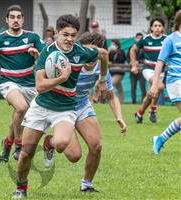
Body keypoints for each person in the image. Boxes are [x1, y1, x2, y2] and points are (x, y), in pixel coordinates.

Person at [12, 14, 109, 198]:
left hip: (64, 109)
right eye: (65, 34)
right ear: (56, 33)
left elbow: (103, 54)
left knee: (65, 146)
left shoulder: (81, 52)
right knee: (26, 153)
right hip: (41, 107)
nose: (69, 39)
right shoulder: (47, 52)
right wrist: (61, 78)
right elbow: (39, 86)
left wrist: (103, 80)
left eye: (73, 35)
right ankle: (20, 188)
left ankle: (49, 143)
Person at [43, 32, 126, 193]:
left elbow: (111, 96)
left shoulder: (101, 68)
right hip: (63, 108)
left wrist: (119, 117)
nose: (90, 58)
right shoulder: (68, 62)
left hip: (82, 106)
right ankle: (50, 142)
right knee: (74, 156)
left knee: (96, 146)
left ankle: (86, 184)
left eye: (94, 54)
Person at [0, 5, 45, 162]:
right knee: (21, 108)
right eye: (12, 17)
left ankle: (6, 146)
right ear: (7, 20)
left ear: (23, 20)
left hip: (30, 84)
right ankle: (19, 145)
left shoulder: (33, 38)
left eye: (18, 17)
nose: (15, 20)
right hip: (9, 83)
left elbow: (45, 57)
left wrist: (37, 55)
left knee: (22, 115)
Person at [150, 10, 181, 154]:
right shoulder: (171, 39)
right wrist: (155, 83)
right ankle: (161, 138)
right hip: (176, 81)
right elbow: (160, 62)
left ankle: (161, 138)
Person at [130, 17, 166, 123]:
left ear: (163, 28)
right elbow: (133, 50)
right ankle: (153, 109)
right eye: (155, 26)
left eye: (159, 26)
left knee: (151, 93)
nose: (157, 28)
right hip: (148, 70)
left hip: (161, 71)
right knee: (159, 86)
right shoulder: (145, 39)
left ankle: (140, 113)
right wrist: (134, 65)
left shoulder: (167, 39)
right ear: (151, 28)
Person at [127, 32, 146, 104]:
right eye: (137, 38)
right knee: (133, 88)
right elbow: (127, 58)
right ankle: (133, 103)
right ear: (135, 38)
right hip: (133, 71)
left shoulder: (144, 48)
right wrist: (132, 62)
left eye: (140, 38)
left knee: (143, 87)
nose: (139, 39)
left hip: (142, 70)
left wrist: (139, 61)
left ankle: (144, 102)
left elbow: (146, 58)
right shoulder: (131, 47)